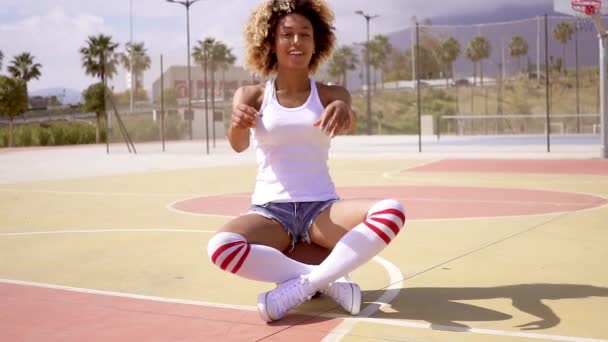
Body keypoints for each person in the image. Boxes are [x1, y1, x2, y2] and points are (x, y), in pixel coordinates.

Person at [206, 0, 406, 323]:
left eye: (305, 34)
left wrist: (345, 111)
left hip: (322, 213)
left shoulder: (331, 94)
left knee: (393, 210)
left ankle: (308, 283)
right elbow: (238, 144)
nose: (296, 42)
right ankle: (326, 280)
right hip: (270, 213)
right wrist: (236, 123)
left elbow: (348, 120)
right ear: (271, 41)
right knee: (220, 246)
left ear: (317, 43)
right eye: (287, 34)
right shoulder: (250, 95)